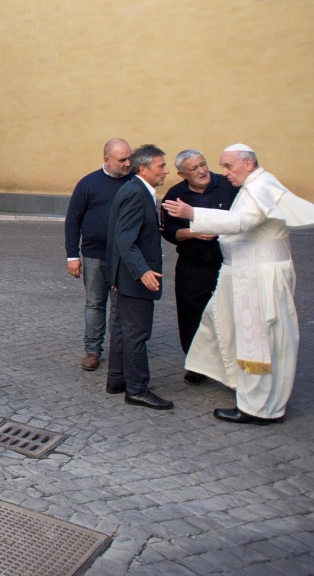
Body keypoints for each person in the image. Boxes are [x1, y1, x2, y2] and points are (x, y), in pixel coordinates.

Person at [164, 144, 314, 424]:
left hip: (257, 277)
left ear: (249, 164)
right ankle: (248, 390)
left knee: (259, 340)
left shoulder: (260, 186)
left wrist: (193, 214)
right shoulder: (253, 184)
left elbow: (243, 221)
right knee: (220, 324)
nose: (223, 172)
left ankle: (258, 408)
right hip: (247, 273)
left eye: (228, 166)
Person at [159, 150, 239, 384]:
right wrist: (191, 233)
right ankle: (196, 365)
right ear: (182, 174)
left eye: (203, 164)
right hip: (192, 265)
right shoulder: (175, 195)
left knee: (228, 313)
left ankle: (230, 364)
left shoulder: (228, 186)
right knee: (191, 315)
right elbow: (169, 231)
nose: (202, 171)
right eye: (194, 169)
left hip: (226, 262)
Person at [105, 144, 173, 409]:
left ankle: (118, 378)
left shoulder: (136, 190)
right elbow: (125, 238)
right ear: (143, 169)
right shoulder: (136, 193)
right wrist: (143, 270)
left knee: (124, 330)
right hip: (134, 277)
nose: (166, 171)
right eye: (161, 166)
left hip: (126, 275)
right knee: (137, 333)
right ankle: (137, 388)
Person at [64, 138, 133, 371]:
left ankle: (119, 351)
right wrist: (72, 255)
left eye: (129, 158)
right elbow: (73, 220)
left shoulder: (134, 183)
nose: (128, 163)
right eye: (122, 160)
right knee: (94, 304)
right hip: (94, 255)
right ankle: (92, 351)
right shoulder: (88, 184)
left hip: (124, 257)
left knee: (119, 306)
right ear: (106, 160)